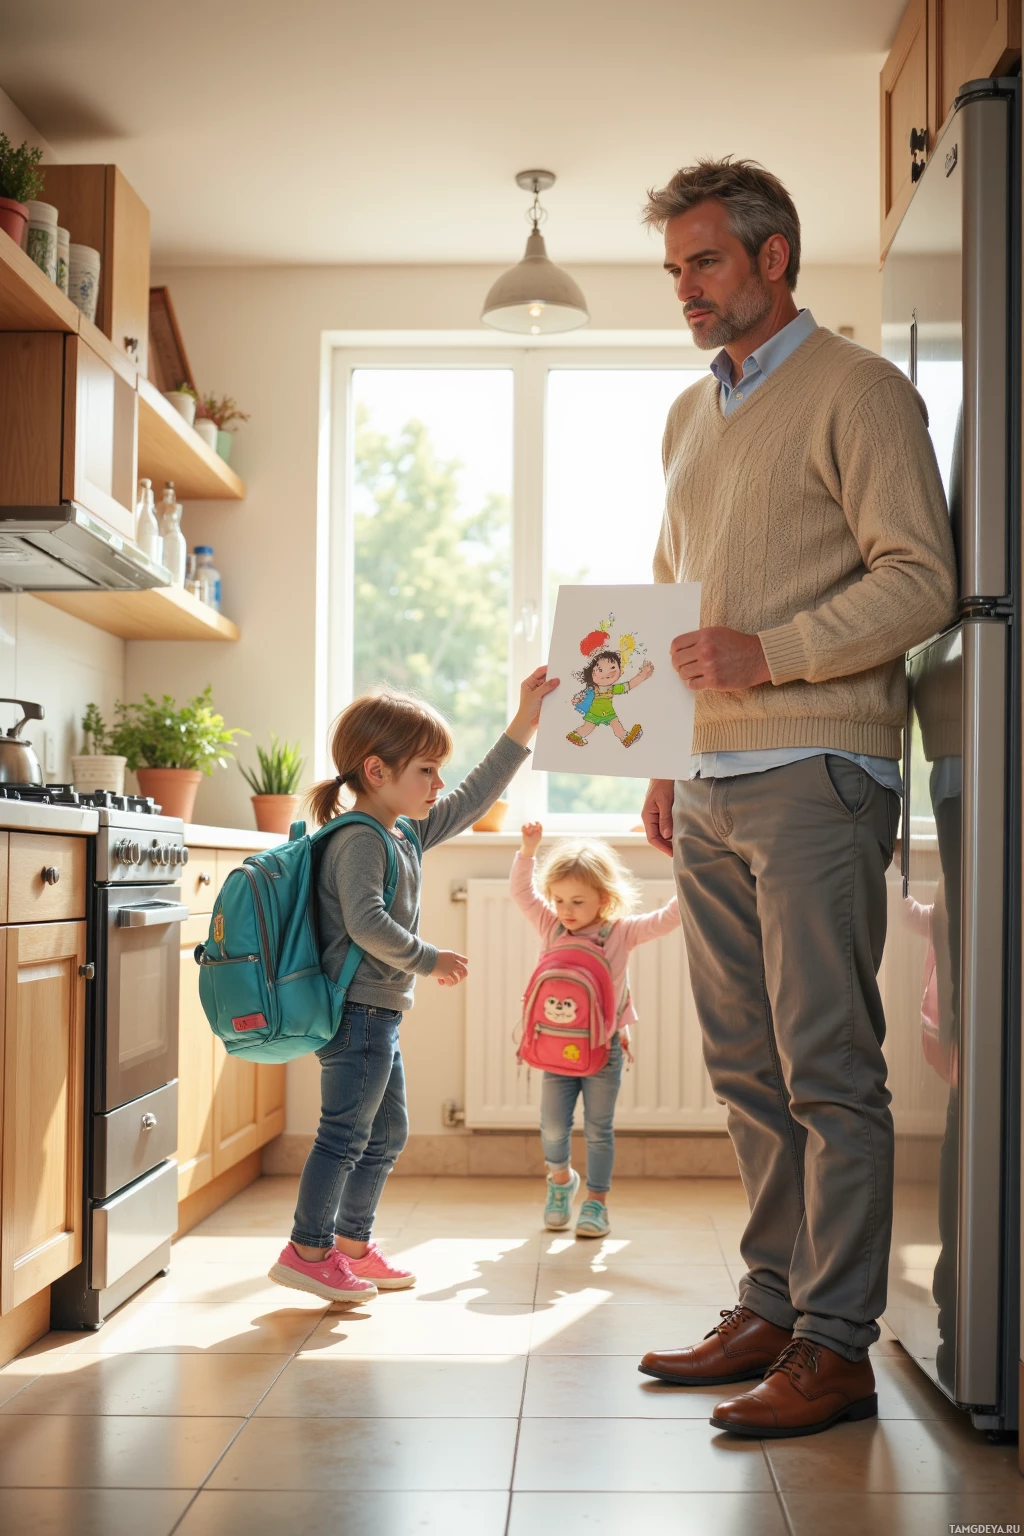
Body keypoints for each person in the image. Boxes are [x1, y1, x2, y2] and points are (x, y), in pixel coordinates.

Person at [634, 157, 958, 1436]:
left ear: (774, 259)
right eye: (674, 270)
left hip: (819, 768)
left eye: (704, 262)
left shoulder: (860, 392)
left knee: (827, 1066)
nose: (686, 290)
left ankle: (835, 1345)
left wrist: (772, 655)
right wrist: (664, 753)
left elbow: (919, 582)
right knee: (743, 1066)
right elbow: (675, 609)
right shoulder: (686, 414)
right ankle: (771, 1305)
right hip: (710, 781)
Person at [269, 668, 557, 1305]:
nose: (439, 783)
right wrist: (429, 958)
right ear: (376, 771)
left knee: (386, 1132)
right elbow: (365, 921)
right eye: (426, 770)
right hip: (359, 1016)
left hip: (379, 1014)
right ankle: (306, 1251)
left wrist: (524, 721)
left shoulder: (403, 831)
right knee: (344, 1134)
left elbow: (476, 797)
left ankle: (351, 1245)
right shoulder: (359, 841)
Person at [512, 822, 680, 1238]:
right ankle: (560, 1181)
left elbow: (670, 917)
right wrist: (527, 851)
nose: (565, 909)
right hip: (556, 1048)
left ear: (604, 899)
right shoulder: (551, 927)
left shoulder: (620, 933)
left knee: (599, 1129)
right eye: (559, 899)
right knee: (552, 1125)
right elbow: (521, 893)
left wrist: (685, 861)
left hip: (605, 1050)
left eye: (577, 901)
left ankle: (596, 1204)